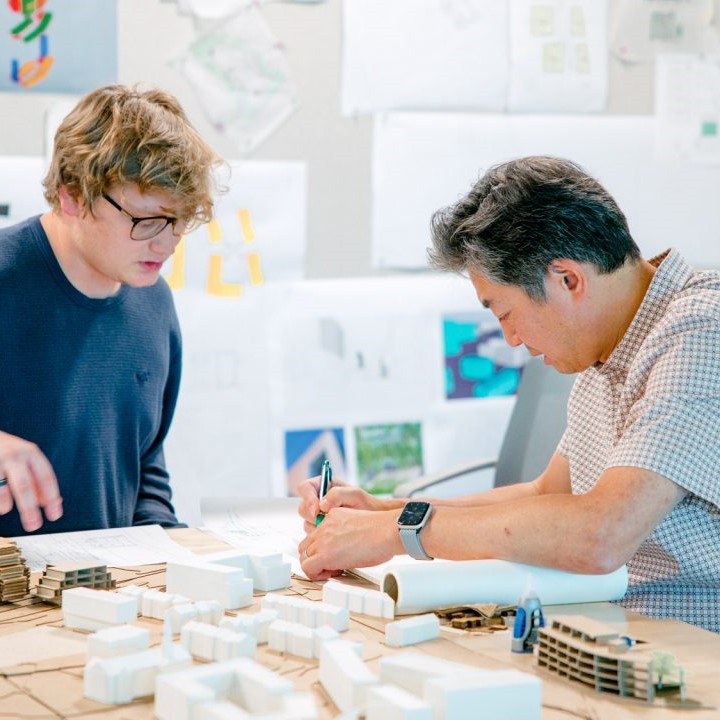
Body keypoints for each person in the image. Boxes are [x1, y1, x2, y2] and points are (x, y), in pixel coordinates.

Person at [297, 156, 720, 633]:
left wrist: (401, 533)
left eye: (504, 312)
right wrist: (386, 510)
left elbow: (601, 533)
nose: (512, 339)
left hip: (690, 653)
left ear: (568, 279)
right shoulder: (609, 350)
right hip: (608, 627)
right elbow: (547, 493)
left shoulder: (701, 331)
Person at [0, 84, 221, 536]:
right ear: (73, 197)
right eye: (146, 221)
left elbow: (143, 466)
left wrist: (174, 556)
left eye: (179, 221)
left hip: (106, 597)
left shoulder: (153, 302)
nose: (167, 243)